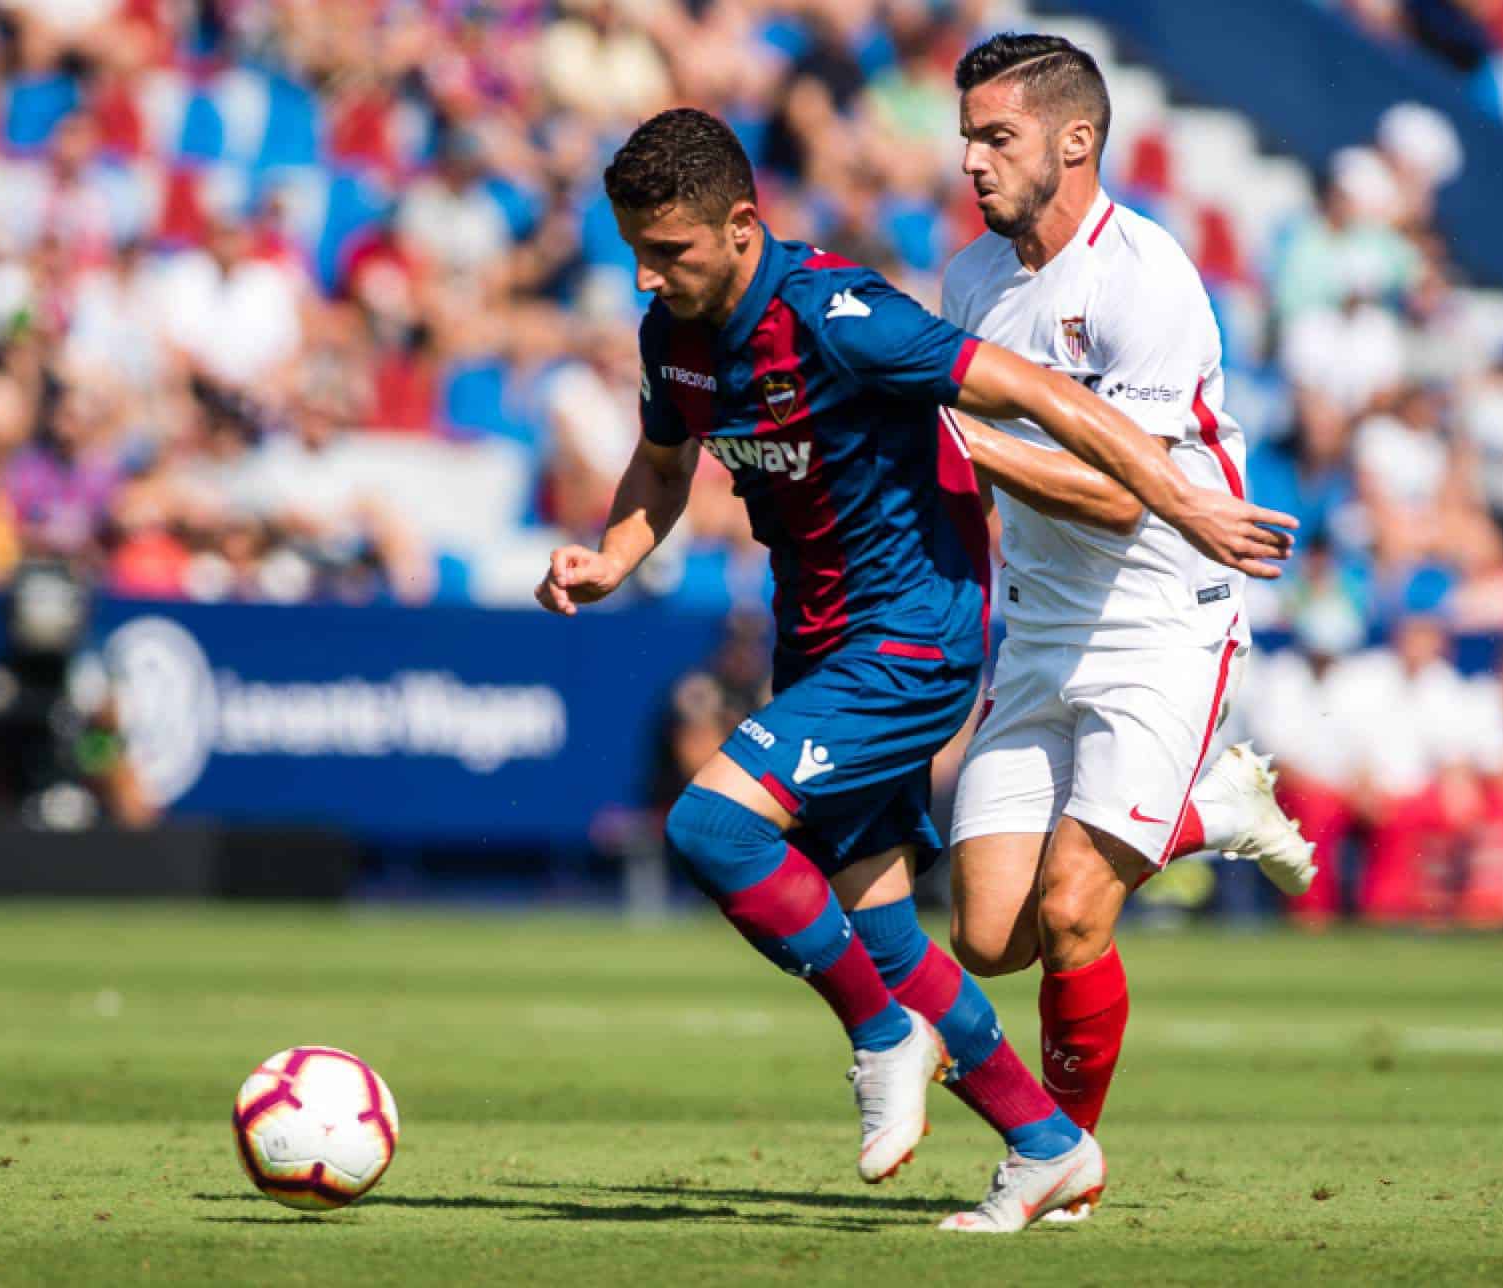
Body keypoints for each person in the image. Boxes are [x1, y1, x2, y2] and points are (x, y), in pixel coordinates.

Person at [535, 108, 1295, 1233]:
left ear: (743, 226)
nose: (647, 278)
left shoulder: (841, 318)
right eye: (636, 254)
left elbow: (1038, 395)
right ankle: (1046, 1145)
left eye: (671, 253)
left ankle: (884, 1034)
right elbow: (660, 464)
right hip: (816, 637)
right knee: (903, 928)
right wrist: (611, 554)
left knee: (711, 828)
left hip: (914, 635)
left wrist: (1185, 500)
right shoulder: (675, 339)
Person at [936, 34, 1318, 1167]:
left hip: (1164, 614)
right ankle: (1211, 811)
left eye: (994, 137)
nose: (970, 162)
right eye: (965, 137)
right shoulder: (968, 282)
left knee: (1070, 913)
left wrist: (952, 438)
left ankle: (1060, 1163)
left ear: (1075, 140)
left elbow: (1115, 501)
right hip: (1041, 626)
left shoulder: (1142, 277)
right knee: (988, 934)